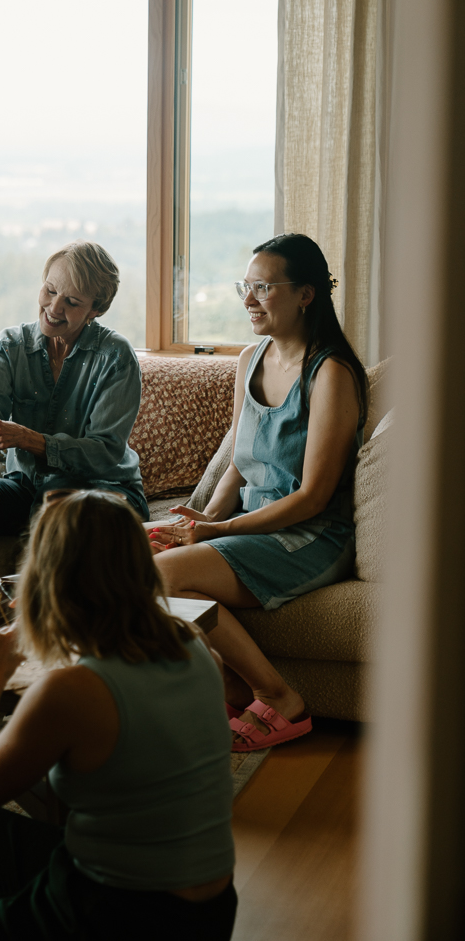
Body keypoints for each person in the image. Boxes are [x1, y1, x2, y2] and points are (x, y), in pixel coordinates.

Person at [0, 489, 237, 940]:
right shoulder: (194, 645)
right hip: (209, 914)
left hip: (118, 914)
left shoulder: (71, 692)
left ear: (50, 578)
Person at [149, 233, 368, 753]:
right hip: (250, 526)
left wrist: (214, 532)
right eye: (244, 287)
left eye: (262, 288)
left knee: (161, 573)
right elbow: (240, 466)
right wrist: (193, 524)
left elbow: (314, 497)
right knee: (122, 550)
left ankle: (279, 697)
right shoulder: (251, 359)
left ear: (305, 295)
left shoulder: (331, 373)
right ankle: (231, 690)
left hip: (310, 536)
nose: (247, 300)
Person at [0, 240, 149, 578]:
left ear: (96, 309)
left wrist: (30, 440)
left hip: (105, 490)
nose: (54, 307)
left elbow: (105, 452)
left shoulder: (115, 356)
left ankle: (36, 617)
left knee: (56, 495)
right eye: (50, 290)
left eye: (72, 301)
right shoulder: (9, 346)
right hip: (29, 486)